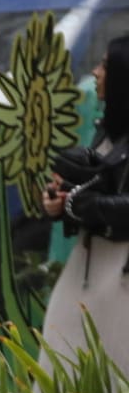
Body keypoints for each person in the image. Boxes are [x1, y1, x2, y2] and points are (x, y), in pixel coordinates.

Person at [40, 35, 129, 362]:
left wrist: (81, 204)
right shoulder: (108, 130)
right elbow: (98, 187)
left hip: (120, 272)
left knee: (113, 371)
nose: (95, 72)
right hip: (89, 264)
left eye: (104, 64)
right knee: (60, 355)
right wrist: (60, 203)